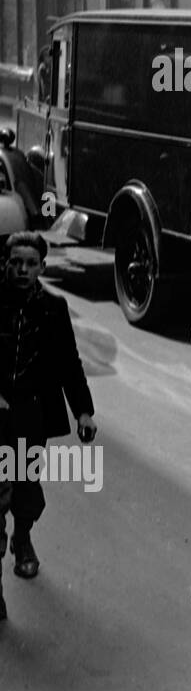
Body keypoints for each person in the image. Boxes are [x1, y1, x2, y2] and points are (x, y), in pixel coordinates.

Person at [0, 231, 97, 614]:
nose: (22, 270)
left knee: (25, 484)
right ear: (5, 264)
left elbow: (69, 365)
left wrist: (83, 411)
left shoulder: (54, 309)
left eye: (30, 263)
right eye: (15, 262)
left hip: (32, 415)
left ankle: (22, 538)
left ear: (42, 267)